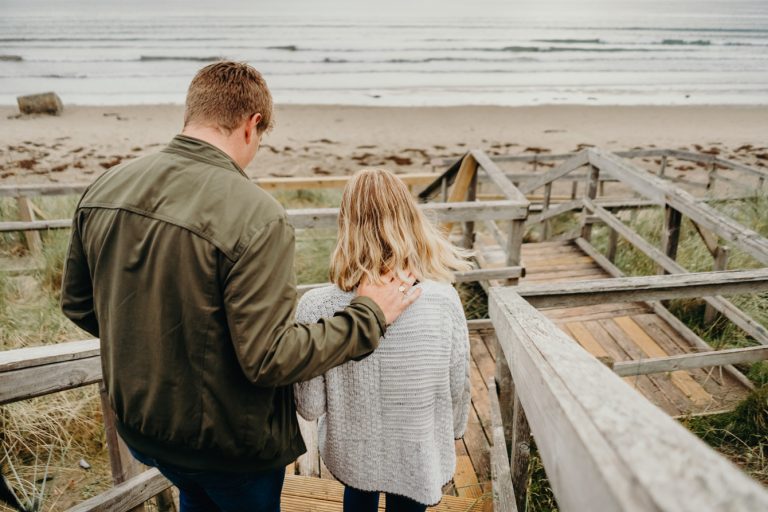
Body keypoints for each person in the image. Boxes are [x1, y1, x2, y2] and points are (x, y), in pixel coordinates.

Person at [60, 61, 420, 512]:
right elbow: (270, 358)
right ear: (252, 125)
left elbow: (78, 303)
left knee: (194, 497)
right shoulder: (256, 215)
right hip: (228, 447)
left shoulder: (105, 187)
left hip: (144, 429)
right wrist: (369, 314)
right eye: (261, 137)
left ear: (193, 113)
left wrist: (156, 348)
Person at [294, 169, 472, 512]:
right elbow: (458, 388)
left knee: (359, 494)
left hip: (354, 455)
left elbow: (310, 406)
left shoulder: (316, 307)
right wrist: (456, 429)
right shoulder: (444, 300)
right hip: (417, 453)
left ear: (346, 225)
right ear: (409, 218)